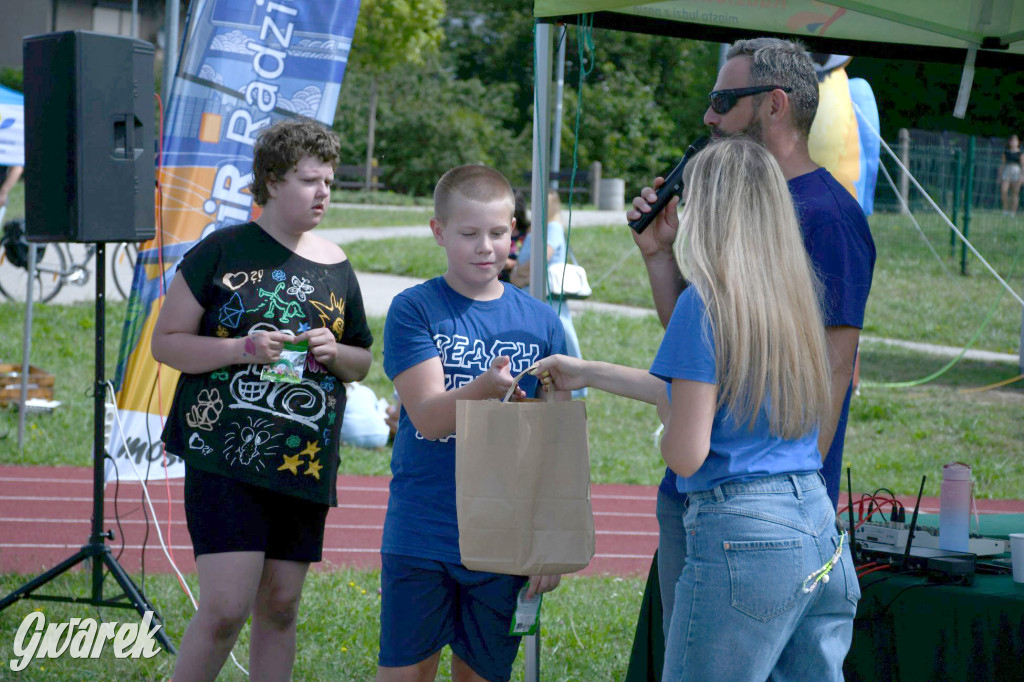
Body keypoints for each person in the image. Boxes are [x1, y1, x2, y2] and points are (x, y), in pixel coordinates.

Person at [538, 136, 859, 679]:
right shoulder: (795, 300)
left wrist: (666, 431)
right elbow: (719, 400)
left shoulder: (703, 302)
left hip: (742, 532)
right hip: (816, 524)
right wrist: (588, 371)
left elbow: (687, 450)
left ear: (705, 212)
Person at [628, 37, 875, 641]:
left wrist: (797, 499)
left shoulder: (826, 216)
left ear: (774, 105)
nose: (708, 117)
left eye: (722, 100)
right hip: (706, 492)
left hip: (761, 509)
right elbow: (702, 346)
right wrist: (659, 255)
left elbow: (835, 370)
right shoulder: (742, 201)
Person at [151, 118, 374, 681]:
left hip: (303, 461)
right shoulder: (222, 250)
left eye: (328, 181)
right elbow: (167, 344)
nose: (322, 192)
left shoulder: (337, 265)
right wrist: (241, 349)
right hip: (226, 455)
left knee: (280, 607)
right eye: (308, 180)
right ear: (272, 181)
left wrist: (334, 351)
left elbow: (362, 361)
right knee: (226, 608)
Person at [378, 164, 568, 682]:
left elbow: (556, 444)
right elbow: (430, 417)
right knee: (404, 674)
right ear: (439, 232)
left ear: (515, 234)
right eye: (469, 233)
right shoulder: (414, 309)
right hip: (423, 531)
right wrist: (486, 388)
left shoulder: (543, 323)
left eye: (499, 233)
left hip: (506, 539)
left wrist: (549, 540)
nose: (486, 246)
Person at [511, 189, 586, 397]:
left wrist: (519, 273)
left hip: (547, 296)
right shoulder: (537, 228)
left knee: (557, 342)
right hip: (531, 291)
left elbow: (543, 256)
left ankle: (567, 387)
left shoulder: (552, 227)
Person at [499, 189, 530, 282]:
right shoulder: (493, 231)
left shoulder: (529, 233)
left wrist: (511, 264)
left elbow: (534, 262)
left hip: (516, 283)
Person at [1000, 134, 1022, 216]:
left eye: (1015, 141)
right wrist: (1000, 174)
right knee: (1004, 191)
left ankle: (1013, 212)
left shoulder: (1020, 153)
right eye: (1012, 141)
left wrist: (1022, 176)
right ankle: (1005, 210)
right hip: (1007, 171)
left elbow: (1023, 165)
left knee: (1015, 193)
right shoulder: (1006, 152)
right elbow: (1002, 163)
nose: (1013, 142)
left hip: (1016, 172)